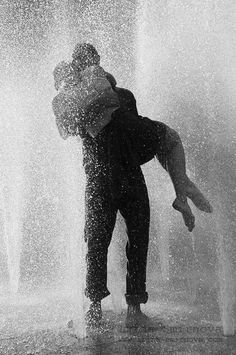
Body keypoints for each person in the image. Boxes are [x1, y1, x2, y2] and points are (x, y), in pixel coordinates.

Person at [52, 44, 212, 328]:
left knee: (97, 242)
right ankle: (133, 311)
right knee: (136, 240)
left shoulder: (83, 102)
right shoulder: (120, 95)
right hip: (127, 174)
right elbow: (141, 135)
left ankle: (94, 311)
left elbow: (72, 128)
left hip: (100, 178)